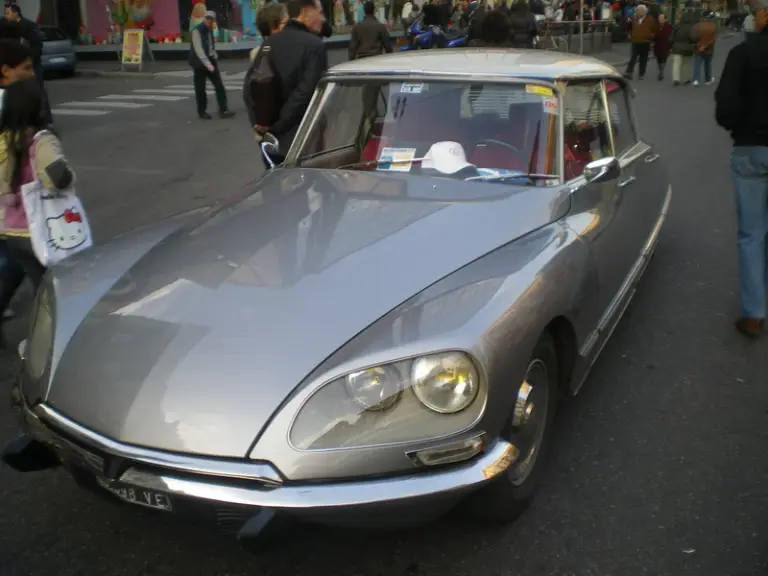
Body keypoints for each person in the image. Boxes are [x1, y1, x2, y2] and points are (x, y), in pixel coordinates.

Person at [0, 78, 74, 340]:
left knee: (24, 276)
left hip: (11, 229)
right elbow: (57, 178)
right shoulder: (42, 141)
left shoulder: (6, 139)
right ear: (39, 108)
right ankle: (48, 340)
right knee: (51, 289)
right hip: (39, 229)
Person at [714, 0, 768, 338]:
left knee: (752, 234)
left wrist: (743, 123)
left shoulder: (744, 53)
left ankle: (754, 313)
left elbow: (726, 110)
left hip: (751, 147)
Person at [251, 0, 328, 159]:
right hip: (304, 136)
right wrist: (280, 124)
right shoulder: (314, 45)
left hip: (271, 140)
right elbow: (307, 92)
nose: (323, 18)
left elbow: (250, 88)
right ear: (306, 13)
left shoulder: (269, 43)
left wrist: (264, 124)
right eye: (320, 12)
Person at [3, 4, 51, 127]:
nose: (6, 16)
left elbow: (37, 44)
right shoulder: (7, 27)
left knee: (38, 90)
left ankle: (47, 120)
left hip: (32, 63)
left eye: (8, 13)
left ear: (16, 13)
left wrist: (30, 61)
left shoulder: (28, 26)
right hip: (17, 65)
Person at [188, 11, 235, 120]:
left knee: (219, 86)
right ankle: (202, 112)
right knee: (200, 89)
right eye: (207, 19)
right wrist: (208, 64)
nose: (209, 21)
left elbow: (209, 46)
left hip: (210, 60)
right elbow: (198, 50)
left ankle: (223, 110)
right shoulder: (197, 30)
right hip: (199, 64)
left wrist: (214, 54)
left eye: (211, 19)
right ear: (204, 19)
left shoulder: (209, 30)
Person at [624, 4, 657, 80]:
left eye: (641, 10)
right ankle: (629, 72)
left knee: (643, 59)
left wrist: (651, 37)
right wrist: (629, 34)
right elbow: (629, 28)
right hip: (635, 41)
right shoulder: (634, 19)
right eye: (638, 10)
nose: (639, 12)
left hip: (645, 42)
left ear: (645, 12)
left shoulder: (650, 19)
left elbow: (655, 30)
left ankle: (641, 74)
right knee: (633, 57)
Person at [670, 5, 699, 86]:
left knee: (676, 64)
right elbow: (694, 38)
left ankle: (676, 79)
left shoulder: (677, 27)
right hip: (688, 48)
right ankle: (687, 78)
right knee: (687, 63)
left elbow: (671, 38)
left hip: (677, 48)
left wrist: (670, 46)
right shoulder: (692, 28)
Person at [691, 11, 716, 86]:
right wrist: (705, 46)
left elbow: (692, 38)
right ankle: (707, 80)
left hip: (698, 49)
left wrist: (699, 46)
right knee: (707, 64)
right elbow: (713, 40)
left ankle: (696, 80)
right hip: (709, 49)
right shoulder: (713, 26)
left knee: (697, 64)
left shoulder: (696, 26)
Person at [653, 12, 673, 80]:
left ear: (665, 19)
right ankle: (660, 70)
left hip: (665, 46)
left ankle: (661, 72)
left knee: (663, 59)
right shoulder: (656, 26)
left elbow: (671, 37)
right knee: (658, 60)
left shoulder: (669, 26)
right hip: (657, 46)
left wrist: (670, 47)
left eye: (662, 18)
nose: (660, 19)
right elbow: (654, 35)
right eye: (659, 18)